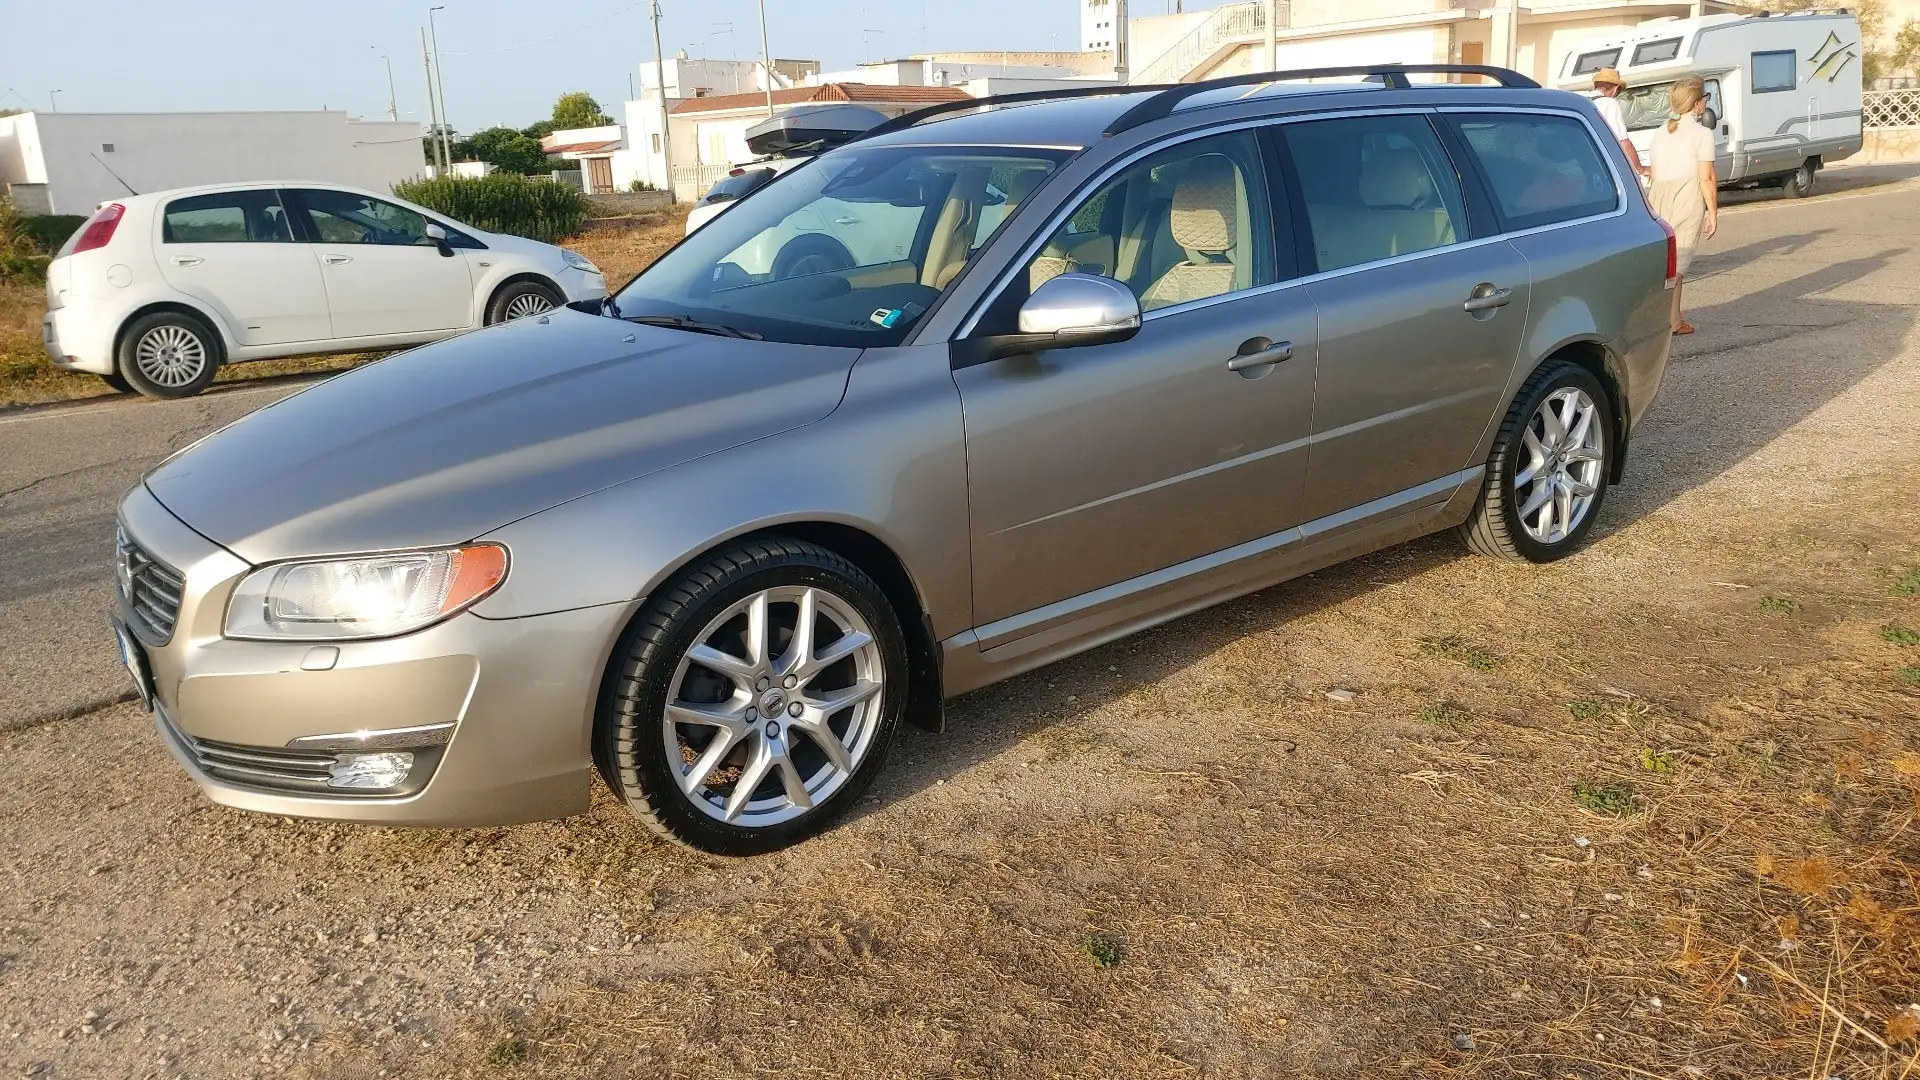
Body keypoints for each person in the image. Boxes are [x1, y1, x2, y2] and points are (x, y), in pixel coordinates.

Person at [1645, 76, 1718, 335]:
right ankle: (1662, 321)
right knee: (1678, 262)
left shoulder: (1660, 133)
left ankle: (1674, 319)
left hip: (1658, 197)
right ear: (1697, 104)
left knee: (1666, 261)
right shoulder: (1702, 134)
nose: (1705, 103)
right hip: (1686, 196)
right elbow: (1707, 177)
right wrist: (1712, 212)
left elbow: (1654, 172)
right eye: (1705, 98)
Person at [1589, 68, 1647, 180]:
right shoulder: (1609, 102)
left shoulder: (1581, 99)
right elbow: (1624, 143)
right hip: (1603, 165)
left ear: (1594, 86)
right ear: (1615, 89)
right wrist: (1641, 169)